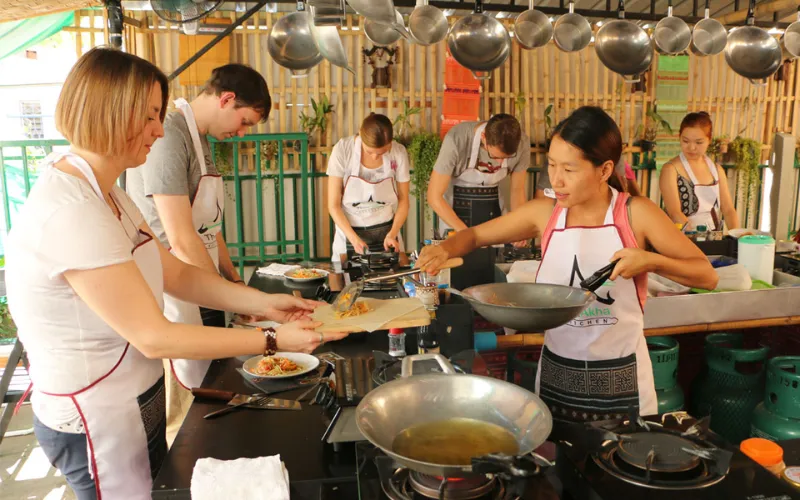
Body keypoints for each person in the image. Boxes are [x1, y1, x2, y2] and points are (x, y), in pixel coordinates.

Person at [5, 47, 346, 499]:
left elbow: (179, 275)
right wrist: (271, 340)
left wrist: (265, 304)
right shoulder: (72, 208)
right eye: (148, 115)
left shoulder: (111, 196)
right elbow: (155, 336)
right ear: (109, 112)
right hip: (94, 414)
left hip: (131, 400)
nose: (158, 129)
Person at [417, 107, 717, 423]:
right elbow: (475, 236)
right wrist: (444, 248)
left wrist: (650, 261)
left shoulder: (635, 213)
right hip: (557, 378)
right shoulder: (545, 214)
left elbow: (707, 276)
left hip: (622, 382)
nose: (556, 180)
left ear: (604, 170)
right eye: (551, 165)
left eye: (569, 169)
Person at [126, 63, 269, 444]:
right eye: (244, 121)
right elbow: (181, 237)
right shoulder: (171, 136)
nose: (241, 133)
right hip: (172, 286)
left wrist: (234, 281)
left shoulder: (200, 139)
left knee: (209, 388)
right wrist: (230, 297)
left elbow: (208, 228)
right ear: (226, 99)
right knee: (184, 410)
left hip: (200, 281)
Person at [427, 114, 530, 245]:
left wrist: (519, 227)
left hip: (493, 212)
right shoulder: (457, 139)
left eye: (507, 158)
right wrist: (465, 233)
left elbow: (517, 190)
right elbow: (434, 196)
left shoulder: (522, 143)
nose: (500, 162)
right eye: (494, 156)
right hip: (455, 216)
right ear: (483, 137)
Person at [327, 113, 410, 259]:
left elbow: (404, 201)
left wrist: (392, 233)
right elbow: (333, 205)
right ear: (360, 134)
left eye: (382, 152)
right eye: (369, 151)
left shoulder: (398, 153)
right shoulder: (343, 150)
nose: (375, 157)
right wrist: (354, 239)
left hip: (388, 233)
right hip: (349, 234)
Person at [659, 112, 739, 231]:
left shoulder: (717, 170)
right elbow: (675, 213)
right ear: (679, 137)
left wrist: (737, 236)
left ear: (709, 140)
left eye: (699, 142)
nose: (691, 148)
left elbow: (728, 210)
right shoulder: (670, 169)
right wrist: (693, 237)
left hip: (713, 235)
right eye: (685, 141)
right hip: (681, 236)